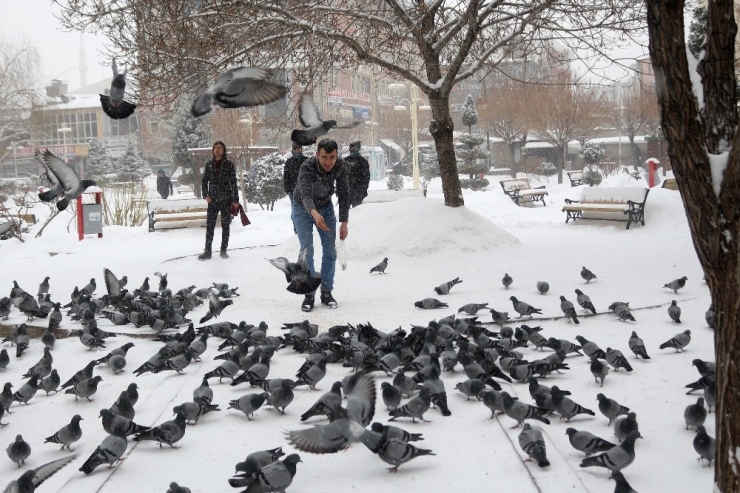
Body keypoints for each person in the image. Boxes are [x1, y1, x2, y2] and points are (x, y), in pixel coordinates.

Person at [292, 138, 350, 312]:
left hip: (325, 207)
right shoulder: (307, 167)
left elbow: (344, 194)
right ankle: (309, 294)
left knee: (330, 251)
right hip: (302, 207)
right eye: (324, 157)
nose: (328, 162)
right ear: (317, 154)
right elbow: (306, 196)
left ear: (336, 155)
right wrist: (314, 214)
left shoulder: (340, 166)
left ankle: (326, 292)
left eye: (332, 157)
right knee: (307, 250)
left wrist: (344, 223)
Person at [198, 141, 239, 260]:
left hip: (226, 200)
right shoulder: (209, 164)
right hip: (213, 200)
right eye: (215, 148)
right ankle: (207, 251)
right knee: (210, 226)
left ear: (223, 150)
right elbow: (204, 181)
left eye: (219, 148)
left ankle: (223, 250)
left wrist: (235, 200)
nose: (217, 150)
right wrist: (205, 195)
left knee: (226, 226)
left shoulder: (229, 165)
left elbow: (234, 183)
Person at [344, 139, 370, 207]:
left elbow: (366, 178)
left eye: (354, 148)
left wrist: (362, 190)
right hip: (346, 192)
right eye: (350, 148)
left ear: (358, 149)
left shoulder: (363, 162)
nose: (352, 150)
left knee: (357, 212)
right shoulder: (345, 161)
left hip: (358, 192)